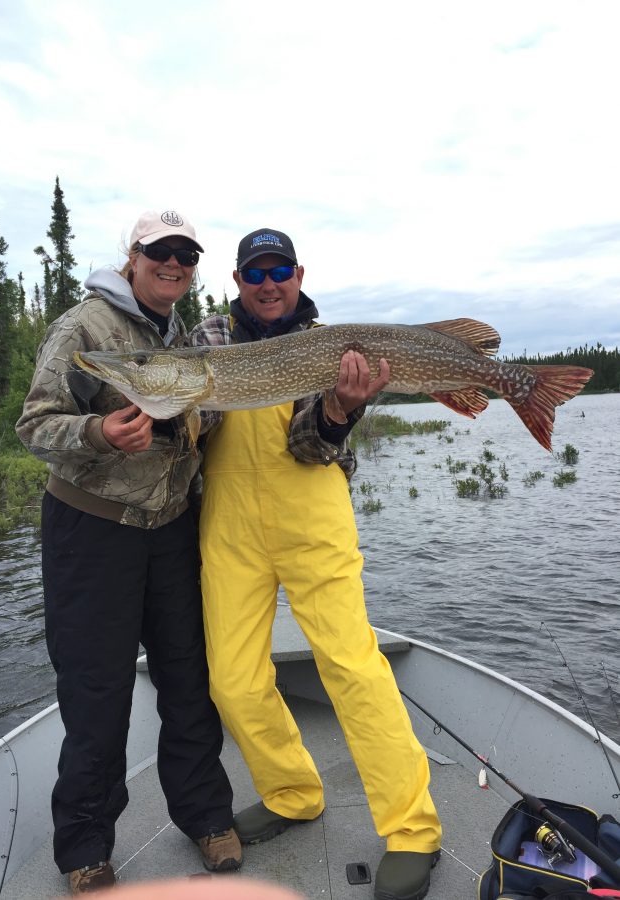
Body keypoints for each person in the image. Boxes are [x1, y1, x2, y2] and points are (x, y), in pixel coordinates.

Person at [190, 228, 443, 900]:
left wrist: (340, 408)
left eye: (279, 271)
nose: (268, 283)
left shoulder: (332, 347)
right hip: (230, 527)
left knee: (353, 669)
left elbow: (309, 445)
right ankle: (292, 792)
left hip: (312, 516)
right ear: (237, 281)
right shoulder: (209, 338)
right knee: (233, 679)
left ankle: (412, 828)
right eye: (254, 273)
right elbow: (194, 425)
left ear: (298, 276)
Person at [16, 210, 241, 895]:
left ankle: (206, 816)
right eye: (159, 250)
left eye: (186, 254)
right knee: (97, 692)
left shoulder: (179, 336)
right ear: (133, 256)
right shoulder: (84, 327)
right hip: (94, 531)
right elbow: (35, 424)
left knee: (188, 680)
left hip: (169, 529)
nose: (173, 262)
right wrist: (98, 433)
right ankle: (86, 846)